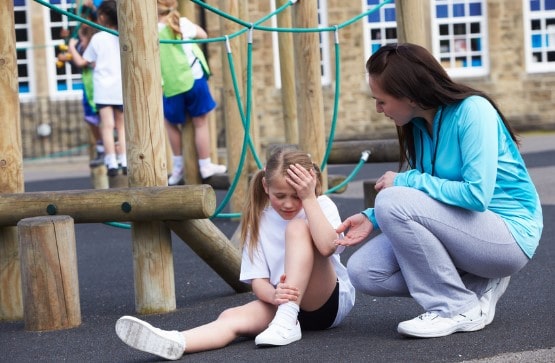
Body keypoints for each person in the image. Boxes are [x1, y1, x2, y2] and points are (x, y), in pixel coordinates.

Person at [335, 43, 543, 339]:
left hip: (508, 235)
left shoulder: (473, 110)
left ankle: (456, 306)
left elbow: (475, 195)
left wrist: (405, 182)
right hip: (463, 231)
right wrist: (372, 217)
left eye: (381, 101)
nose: (378, 109)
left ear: (409, 95)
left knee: (393, 197)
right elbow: (424, 197)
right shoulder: (418, 125)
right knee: (364, 271)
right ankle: (475, 287)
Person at [115, 147, 355, 360]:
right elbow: (258, 282)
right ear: (265, 186)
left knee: (297, 228)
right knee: (231, 316)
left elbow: (327, 247)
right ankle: (177, 341)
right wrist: (275, 296)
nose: (289, 204)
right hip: (281, 303)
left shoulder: (320, 205)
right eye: (280, 196)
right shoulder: (259, 220)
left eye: (296, 196)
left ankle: (288, 319)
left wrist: (309, 198)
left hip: (324, 303)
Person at [157, 0, 226, 185]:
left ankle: (178, 165)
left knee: (170, 123)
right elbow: (203, 34)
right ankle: (205, 164)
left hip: (172, 84)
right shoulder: (183, 23)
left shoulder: (152, 30)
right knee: (200, 123)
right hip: (194, 78)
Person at [69, 0, 126, 177]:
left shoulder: (98, 39)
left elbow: (84, 61)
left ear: (101, 18)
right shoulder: (124, 36)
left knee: (107, 126)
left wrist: (71, 46)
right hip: (120, 87)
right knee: (122, 127)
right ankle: (124, 160)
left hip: (103, 88)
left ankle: (111, 162)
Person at [61, 7, 104, 167]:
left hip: (99, 85)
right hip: (89, 86)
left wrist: (71, 47)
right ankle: (101, 147)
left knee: (105, 119)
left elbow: (82, 61)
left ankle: (112, 151)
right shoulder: (82, 40)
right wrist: (68, 46)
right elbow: (79, 61)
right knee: (91, 118)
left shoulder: (95, 41)